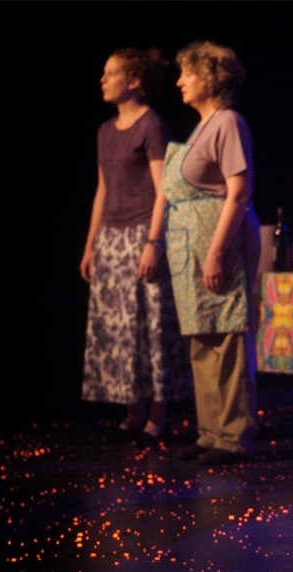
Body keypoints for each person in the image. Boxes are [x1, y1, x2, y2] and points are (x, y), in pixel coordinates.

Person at [80, 47, 192, 447]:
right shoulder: (105, 131)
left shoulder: (152, 124)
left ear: (133, 81)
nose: (103, 79)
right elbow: (102, 190)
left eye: (111, 73)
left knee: (150, 328)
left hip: (143, 233)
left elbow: (164, 190)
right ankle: (132, 411)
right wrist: (91, 244)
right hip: (111, 237)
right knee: (120, 330)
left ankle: (158, 414)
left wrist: (152, 242)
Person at [162, 41, 261, 466]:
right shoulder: (202, 126)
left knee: (226, 335)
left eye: (188, 72)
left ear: (211, 78)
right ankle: (211, 431)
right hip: (191, 244)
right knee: (201, 337)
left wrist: (217, 252)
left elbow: (238, 191)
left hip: (220, 239)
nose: (180, 80)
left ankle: (235, 436)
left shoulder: (228, 122)